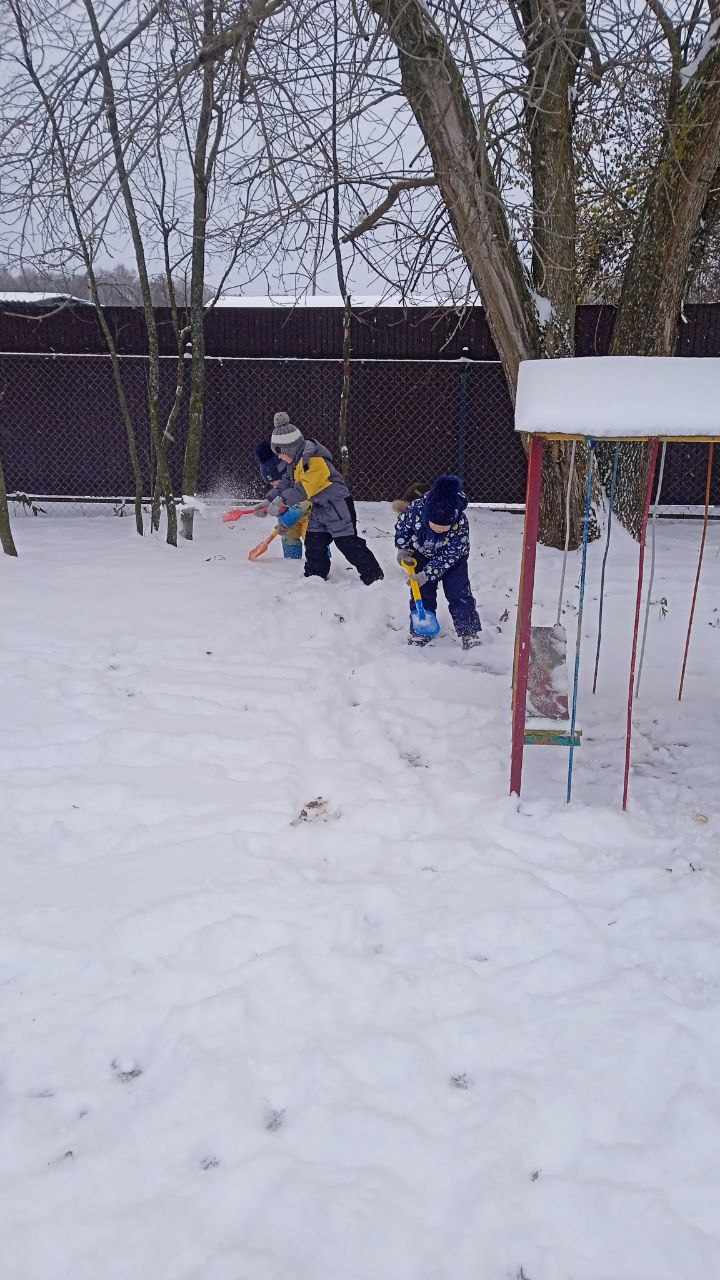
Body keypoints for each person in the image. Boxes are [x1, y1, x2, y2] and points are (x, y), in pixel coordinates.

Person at [256, 412, 384, 585]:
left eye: (279, 453)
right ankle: (315, 576)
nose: (279, 457)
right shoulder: (294, 462)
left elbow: (304, 488)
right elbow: (286, 483)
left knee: (347, 543)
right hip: (319, 508)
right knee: (314, 542)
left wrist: (282, 502)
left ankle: (374, 576)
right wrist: (269, 500)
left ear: (290, 449)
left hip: (337, 507)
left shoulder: (314, 459)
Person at [394, 474, 482, 648]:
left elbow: (450, 556)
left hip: (453, 560)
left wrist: (426, 574)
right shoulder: (414, 511)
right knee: (421, 592)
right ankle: (421, 631)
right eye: (435, 527)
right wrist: (403, 549)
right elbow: (402, 528)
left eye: (444, 529)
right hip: (421, 554)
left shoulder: (460, 523)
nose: (440, 531)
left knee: (459, 594)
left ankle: (469, 632)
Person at [253, 440, 304, 559]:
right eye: (272, 484)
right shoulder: (281, 488)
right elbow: (279, 497)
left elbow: (302, 504)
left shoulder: (300, 482)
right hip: (289, 520)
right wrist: (267, 505)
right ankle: (291, 561)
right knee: (288, 536)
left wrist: (285, 522)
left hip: (311, 517)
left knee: (314, 540)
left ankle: (323, 564)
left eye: (277, 482)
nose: (274, 486)